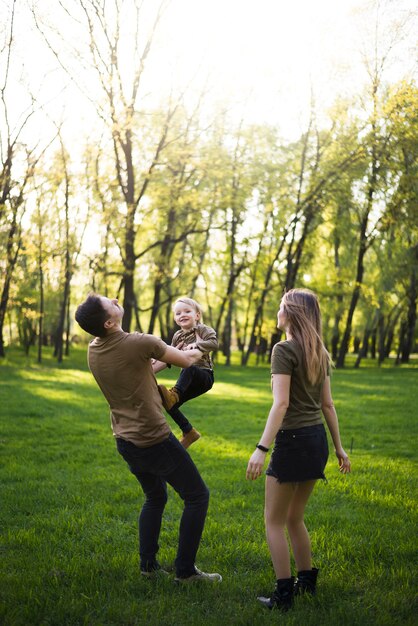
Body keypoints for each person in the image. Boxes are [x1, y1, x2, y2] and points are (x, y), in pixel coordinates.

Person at [75, 293, 222, 583]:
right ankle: (186, 572)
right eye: (111, 301)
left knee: (155, 497)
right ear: (108, 321)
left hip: (124, 438)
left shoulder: (94, 349)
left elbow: (145, 368)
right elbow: (185, 360)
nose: (118, 298)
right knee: (197, 496)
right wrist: (195, 349)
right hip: (153, 437)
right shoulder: (141, 342)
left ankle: (148, 567)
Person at [246, 288, 351, 611]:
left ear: (290, 313)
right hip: (316, 440)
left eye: (280, 308)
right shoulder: (319, 351)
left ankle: (283, 595)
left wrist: (261, 448)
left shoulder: (284, 349)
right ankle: (306, 580)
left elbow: (281, 403)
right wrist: (338, 448)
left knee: (274, 521)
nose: (277, 313)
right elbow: (328, 405)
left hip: (292, 442)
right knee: (295, 517)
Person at [153, 297, 218, 449]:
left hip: (204, 376)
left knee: (190, 367)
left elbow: (214, 343)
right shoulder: (177, 336)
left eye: (187, 311)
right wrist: (154, 362)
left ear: (197, 315)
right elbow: (170, 355)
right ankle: (189, 432)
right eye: (178, 313)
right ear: (175, 318)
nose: (182, 315)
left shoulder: (203, 330)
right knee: (169, 403)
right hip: (188, 380)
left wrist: (198, 344)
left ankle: (175, 393)